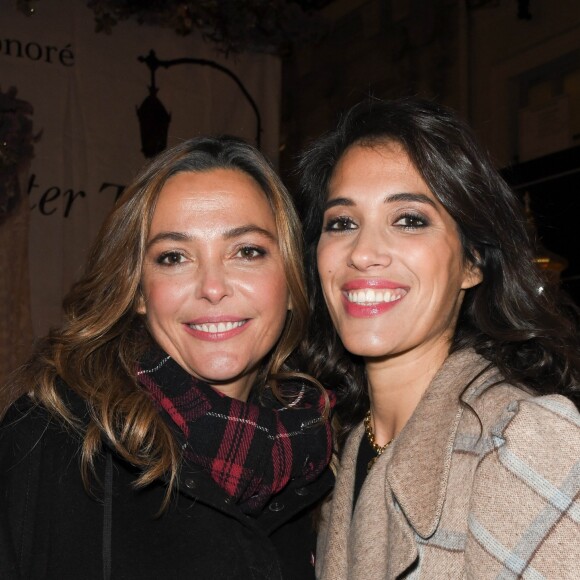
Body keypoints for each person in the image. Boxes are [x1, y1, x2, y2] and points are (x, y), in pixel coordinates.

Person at [0, 136, 334, 579]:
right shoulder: (50, 440)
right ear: (138, 292)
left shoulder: (320, 456)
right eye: (174, 257)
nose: (212, 287)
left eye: (247, 251)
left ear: (292, 281)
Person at [297, 96, 580, 579]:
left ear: (472, 263)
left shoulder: (523, 438)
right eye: (342, 223)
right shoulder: (335, 448)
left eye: (409, 219)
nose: (363, 253)